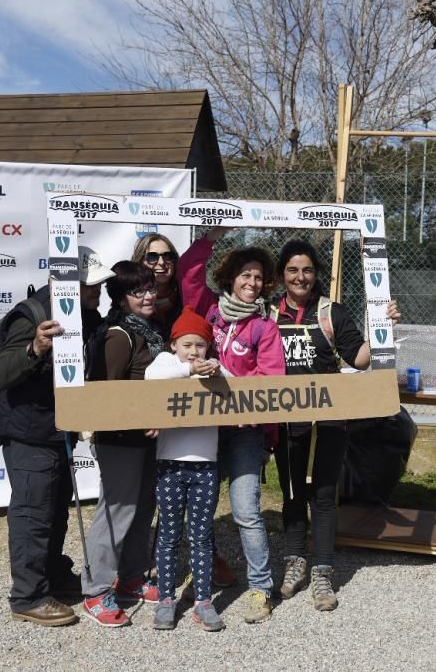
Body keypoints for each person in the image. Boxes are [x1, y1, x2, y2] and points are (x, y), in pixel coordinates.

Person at [271, 239, 400, 610]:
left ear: (316, 274)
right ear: (282, 274)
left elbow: (359, 359)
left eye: (307, 270)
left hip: (328, 420)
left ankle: (322, 574)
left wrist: (382, 327)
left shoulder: (332, 312)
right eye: (293, 270)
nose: (300, 277)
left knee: (324, 496)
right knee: (293, 492)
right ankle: (294, 563)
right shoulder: (267, 312)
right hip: (286, 421)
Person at [0, 246, 112, 627]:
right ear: (68, 286)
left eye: (99, 285)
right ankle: (27, 595)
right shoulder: (31, 316)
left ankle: (55, 575)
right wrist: (35, 348)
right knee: (33, 512)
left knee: (56, 506)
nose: (98, 292)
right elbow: (1, 374)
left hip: (58, 429)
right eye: (91, 286)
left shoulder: (86, 316)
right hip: (28, 430)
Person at [179, 227, 285, 624]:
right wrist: (210, 237)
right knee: (198, 511)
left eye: (258, 277)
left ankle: (261, 588)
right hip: (204, 428)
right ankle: (204, 578)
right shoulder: (209, 309)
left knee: (246, 511)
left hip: (244, 431)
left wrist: (227, 381)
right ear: (230, 278)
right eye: (245, 275)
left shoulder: (264, 326)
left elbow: (271, 381)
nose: (252, 283)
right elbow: (189, 272)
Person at [131, 231, 238, 590]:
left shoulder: (186, 300)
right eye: (151, 257)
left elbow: (193, 272)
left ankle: (204, 565)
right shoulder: (128, 299)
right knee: (145, 497)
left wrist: (210, 233)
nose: (160, 263)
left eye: (167, 256)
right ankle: (136, 569)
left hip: (193, 424)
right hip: (142, 411)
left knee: (198, 509)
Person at [80, 261, 166, 627]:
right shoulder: (118, 334)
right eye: (138, 291)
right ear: (121, 297)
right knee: (116, 510)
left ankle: (131, 577)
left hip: (147, 438)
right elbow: (105, 394)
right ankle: (96, 590)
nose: (148, 296)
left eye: (151, 288)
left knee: (142, 508)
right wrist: (139, 417)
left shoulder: (148, 330)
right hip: (120, 439)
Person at [146, 306, 231, 632]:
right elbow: (152, 377)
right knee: (168, 535)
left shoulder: (213, 368)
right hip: (169, 464)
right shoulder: (167, 364)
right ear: (174, 346)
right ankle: (166, 600)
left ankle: (203, 601)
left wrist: (216, 371)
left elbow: (237, 386)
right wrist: (188, 369)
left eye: (200, 345)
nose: (194, 351)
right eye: (187, 345)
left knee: (200, 536)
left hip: (205, 467)